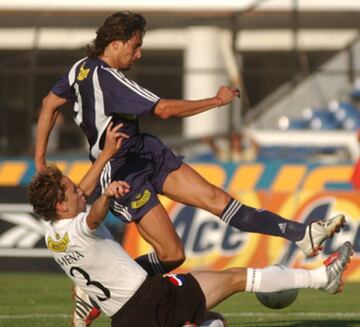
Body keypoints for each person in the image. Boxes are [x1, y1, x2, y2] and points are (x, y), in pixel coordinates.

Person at [35, 11, 345, 279]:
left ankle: (300, 233)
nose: (139, 54)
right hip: (121, 171)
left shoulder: (80, 68)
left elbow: (49, 103)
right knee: (171, 255)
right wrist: (216, 100)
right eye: (135, 46)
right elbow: (165, 110)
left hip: (145, 151)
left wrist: (39, 162)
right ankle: (103, 290)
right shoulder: (110, 79)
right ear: (115, 44)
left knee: (215, 198)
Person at [28, 164, 353, 327]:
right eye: (71, 190)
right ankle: (323, 279)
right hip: (151, 299)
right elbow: (93, 218)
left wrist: (106, 158)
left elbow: (81, 222)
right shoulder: (81, 225)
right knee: (237, 278)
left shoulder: (52, 237)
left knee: (215, 321)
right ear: (60, 204)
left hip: (125, 320)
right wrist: (106, 195)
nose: (79, 191)